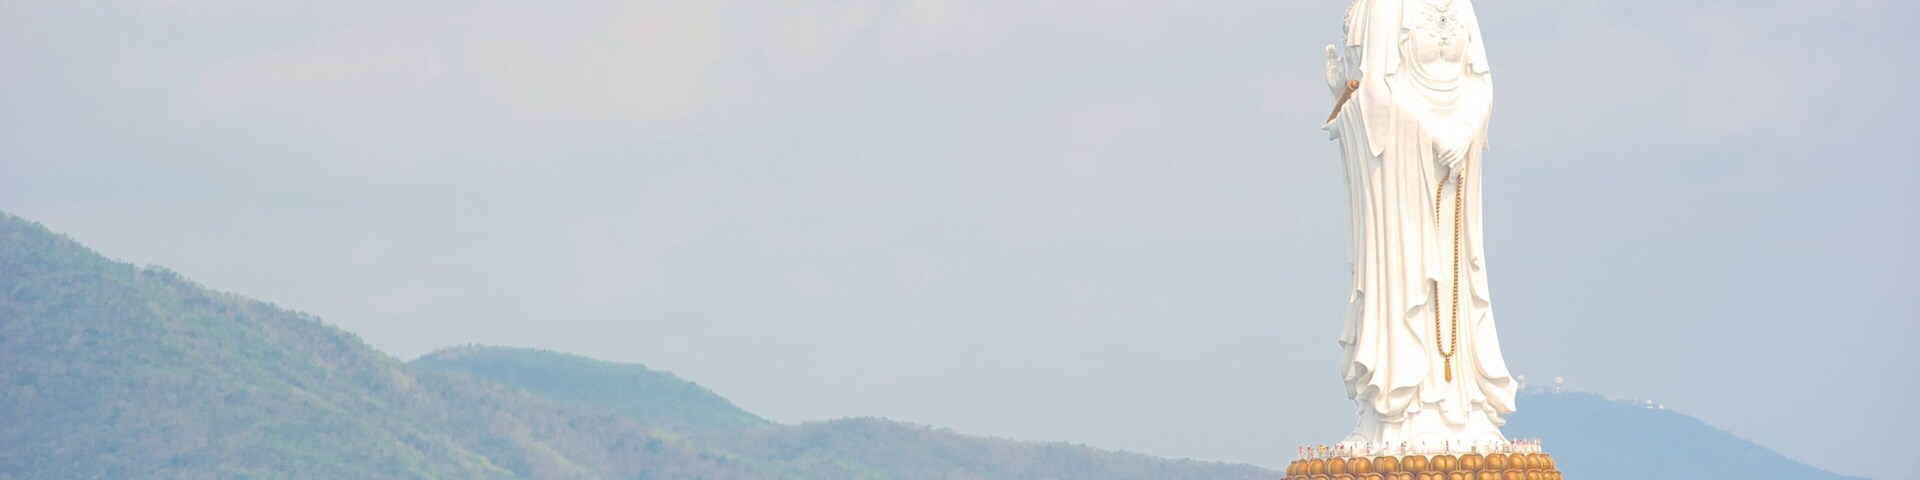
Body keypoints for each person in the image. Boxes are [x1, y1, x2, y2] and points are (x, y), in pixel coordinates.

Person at [1321, 0, 1515, 454]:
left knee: (1456, 282)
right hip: (1403, 172)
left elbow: (1480, 82)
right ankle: (1403, 404)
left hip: (1455, 166)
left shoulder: (1459, 6)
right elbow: (1373, 93)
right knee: (1407, 270)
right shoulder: (1383, 6)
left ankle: (1460, 402)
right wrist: (1430, 131)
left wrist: (1466, 128)